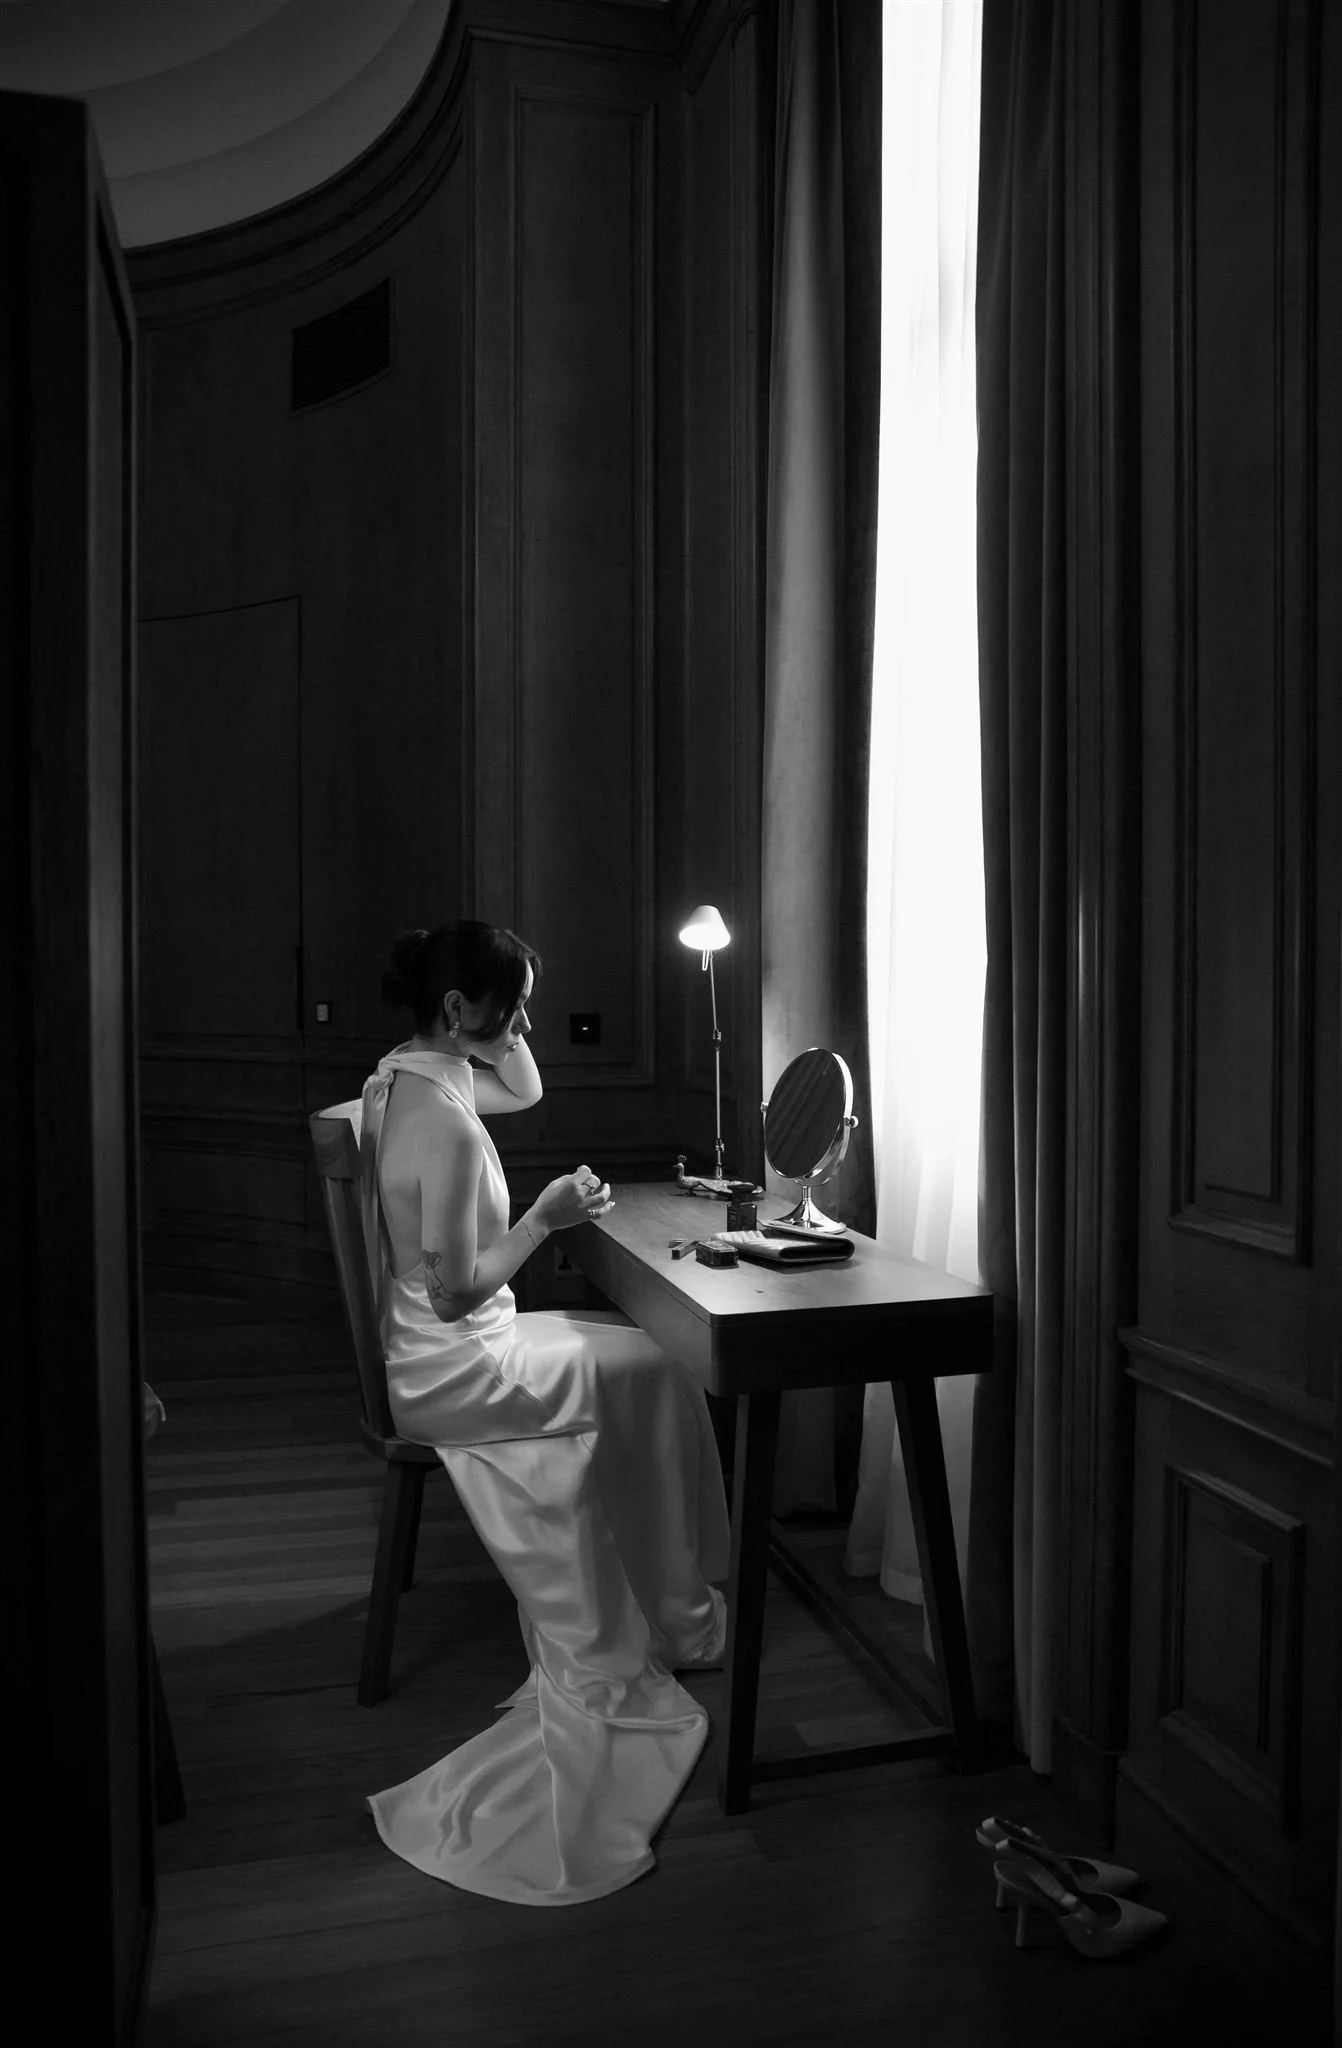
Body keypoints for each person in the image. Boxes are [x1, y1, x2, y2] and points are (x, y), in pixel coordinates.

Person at [359, 920, 731, 1905]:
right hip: (456, 1364)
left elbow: (522, 1085)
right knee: (653, 1368)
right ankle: (672, 1613)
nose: (526, 1024)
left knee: (653, 1360)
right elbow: (450, 1293)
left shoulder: (409, 1069)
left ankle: (675, 1602)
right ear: (455, 1010)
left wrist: (506, 988)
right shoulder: (435, 1118)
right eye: (512, 1006)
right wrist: (546, 1218)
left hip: (445, 1344)